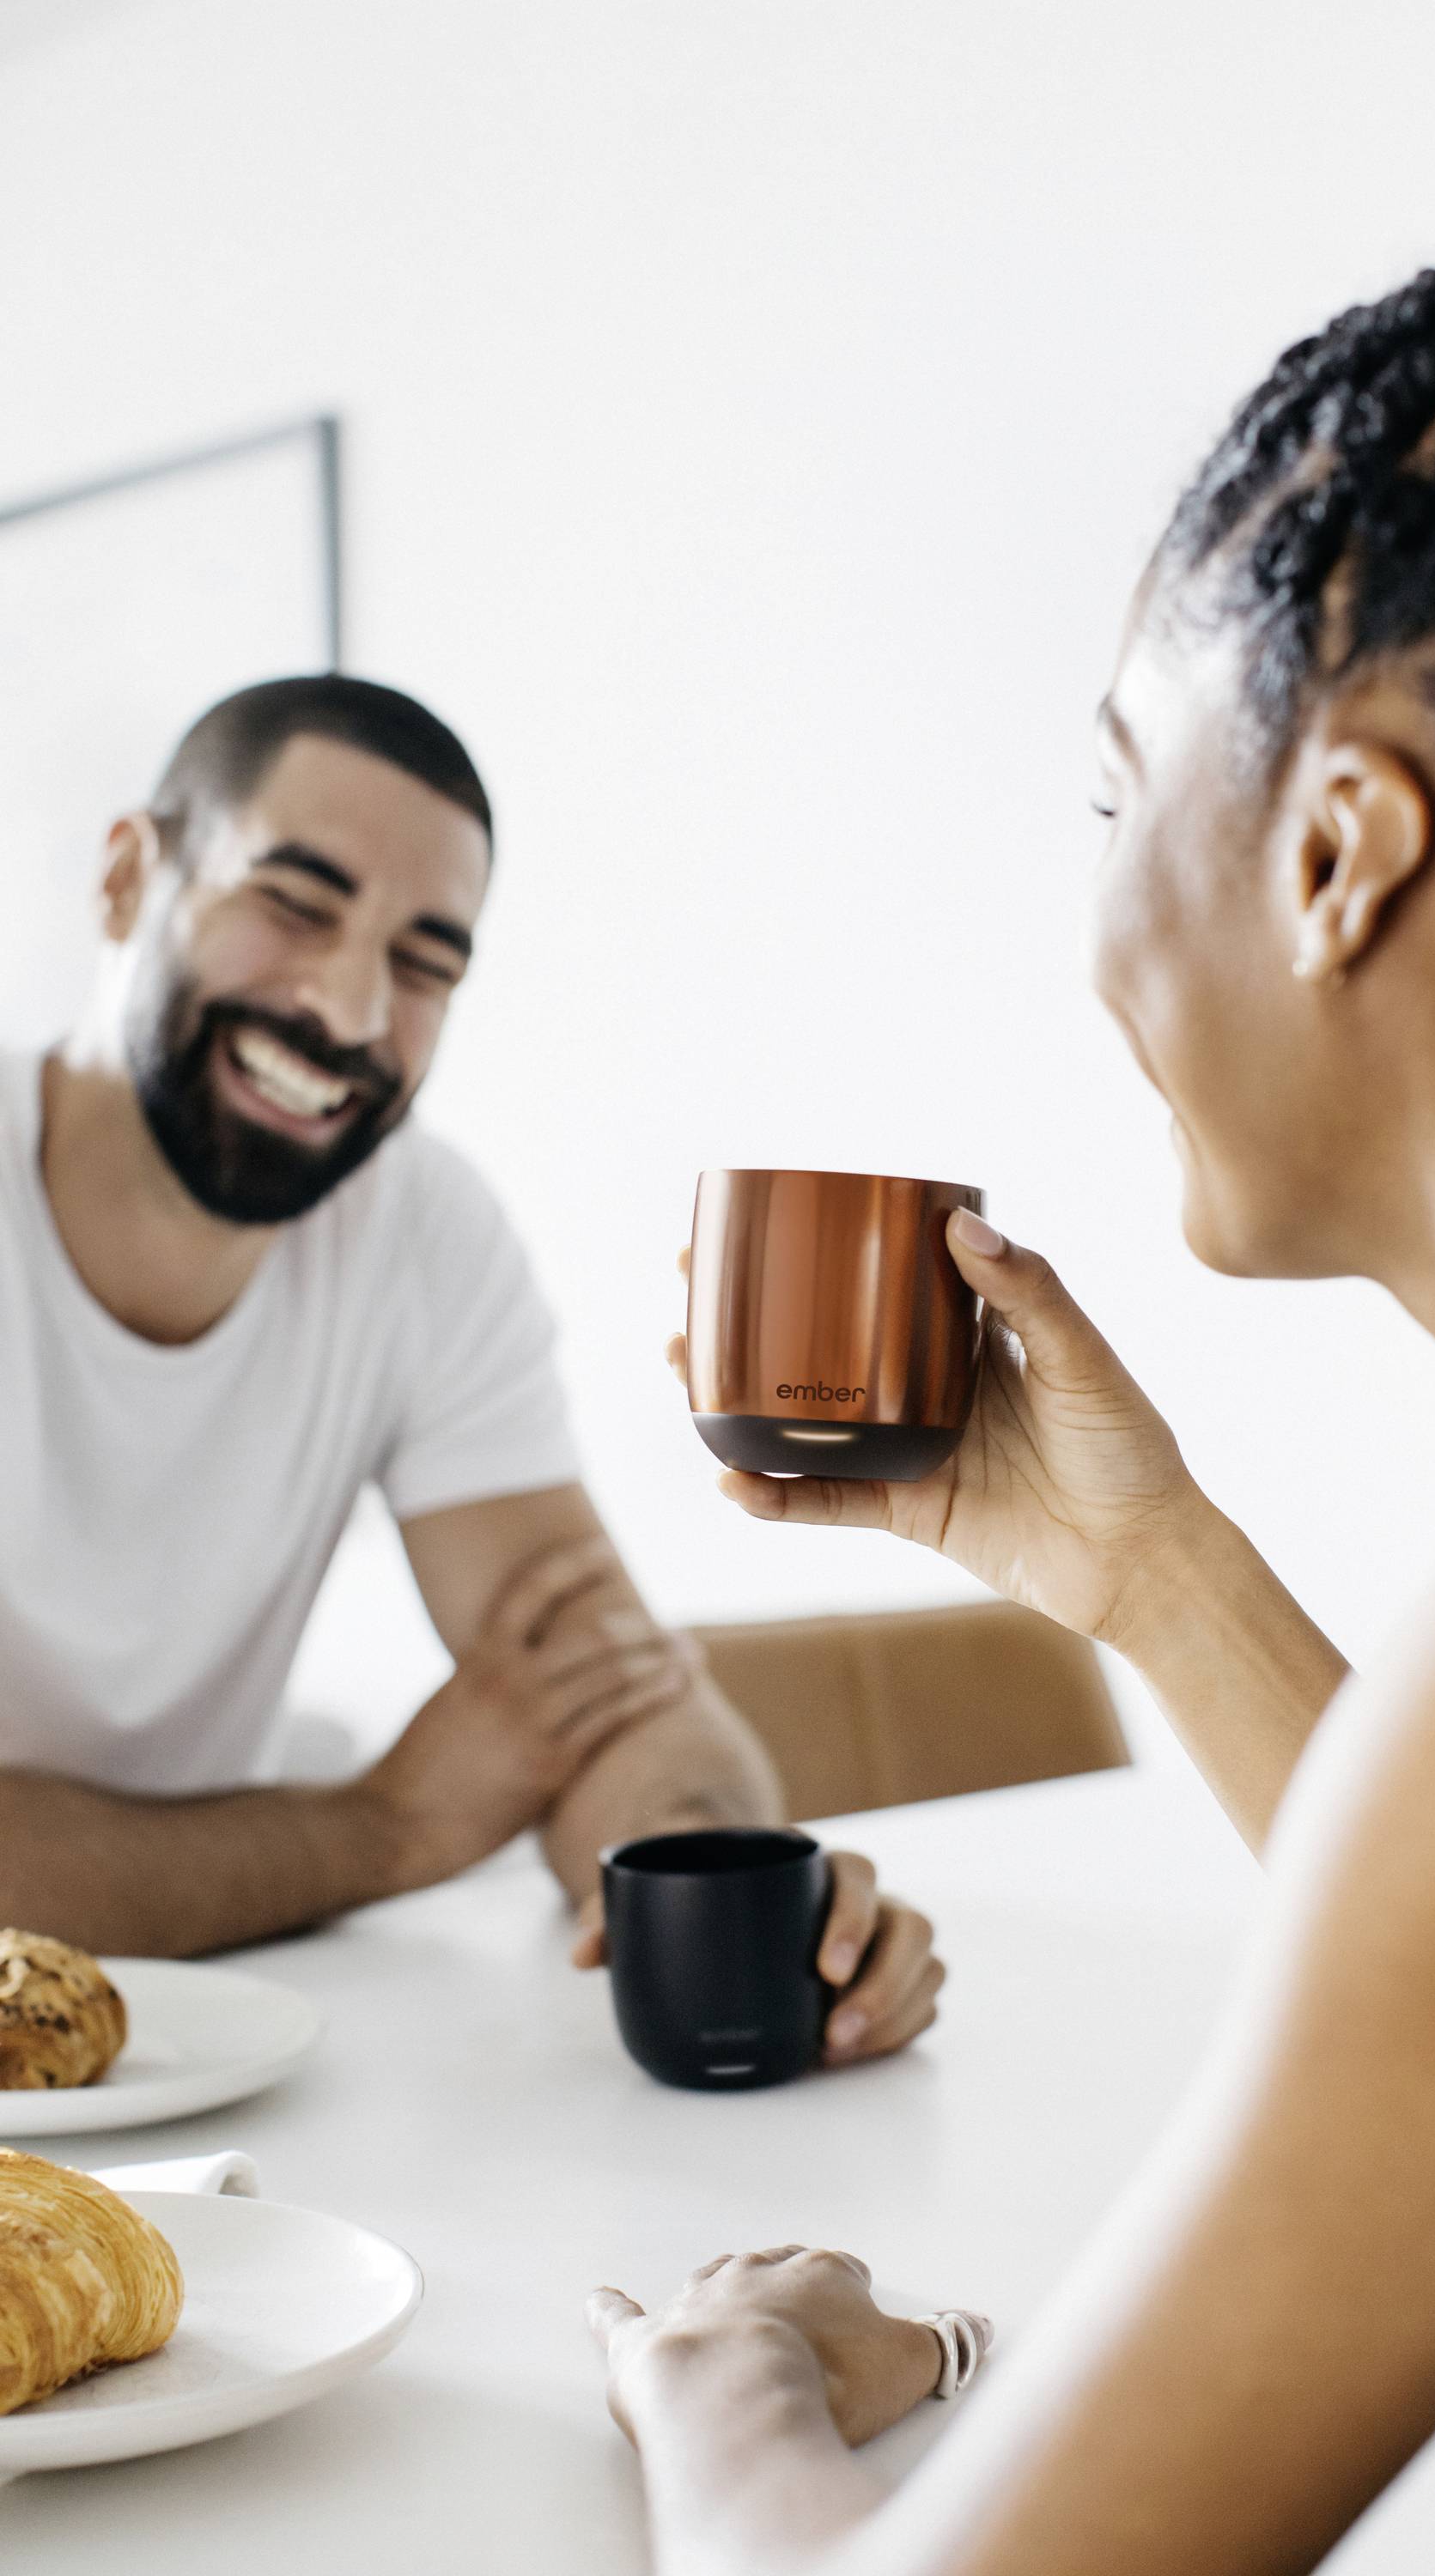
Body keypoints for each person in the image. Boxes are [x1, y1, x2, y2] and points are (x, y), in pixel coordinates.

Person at [587, 142, 1435, 2571]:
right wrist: (1155, 1569)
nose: (1086, 901)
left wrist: (731, 2384)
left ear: (1338, 855)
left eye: (1115, 786)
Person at [0, 673, 942, 2071]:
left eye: (426, 960)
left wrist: (727, 1888)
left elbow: (594, 1685)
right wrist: (386, 1828)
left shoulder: (421, 1232)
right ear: (131, 878)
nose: (347, 1006)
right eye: (296, 904)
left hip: (183, 2056)